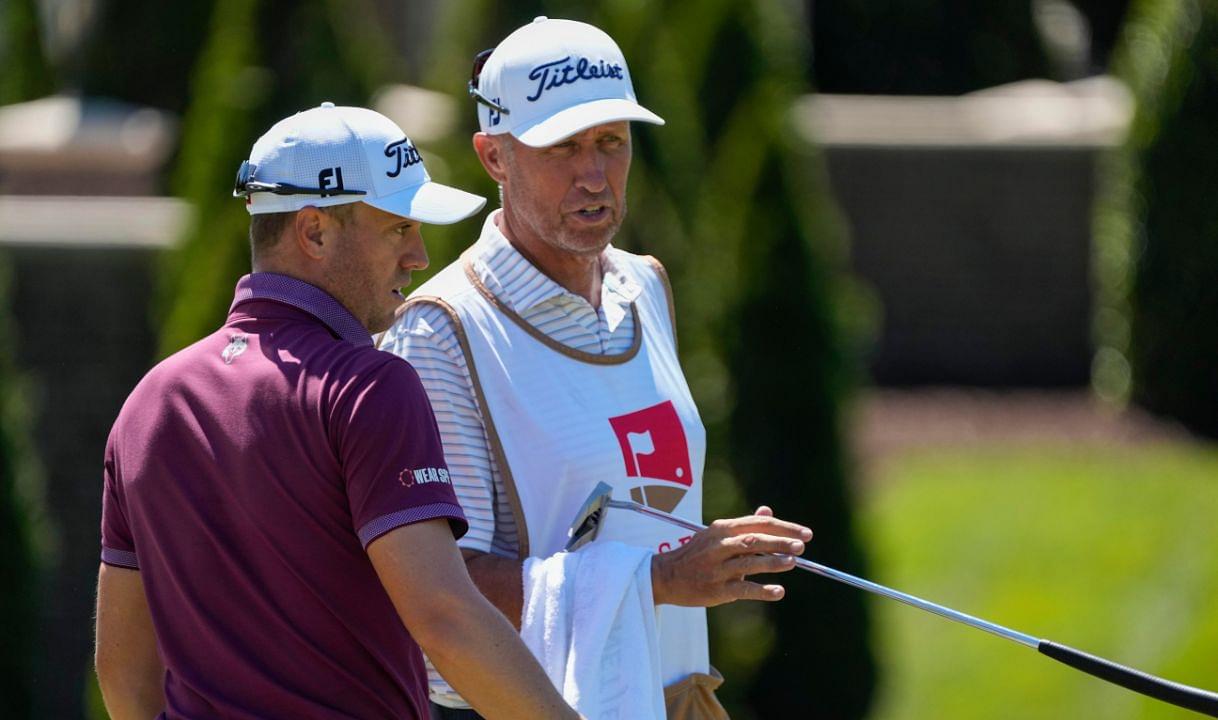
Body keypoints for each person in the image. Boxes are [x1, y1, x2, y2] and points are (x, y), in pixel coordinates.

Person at [381, 17, 813, 720]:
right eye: (562, 146)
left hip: (675, 698)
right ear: (493, 156)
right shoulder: (439, 334)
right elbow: (444, 592)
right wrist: (661, 578)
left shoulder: (646, 285)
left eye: (612, 142)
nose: (593, 174)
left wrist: (710, 559)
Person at [95, 103, 579, 720]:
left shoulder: (149, 401)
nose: (420, 256)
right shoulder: (371, 387)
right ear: (314, 231)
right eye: (398, 229)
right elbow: (445, 617)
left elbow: (122, 674)